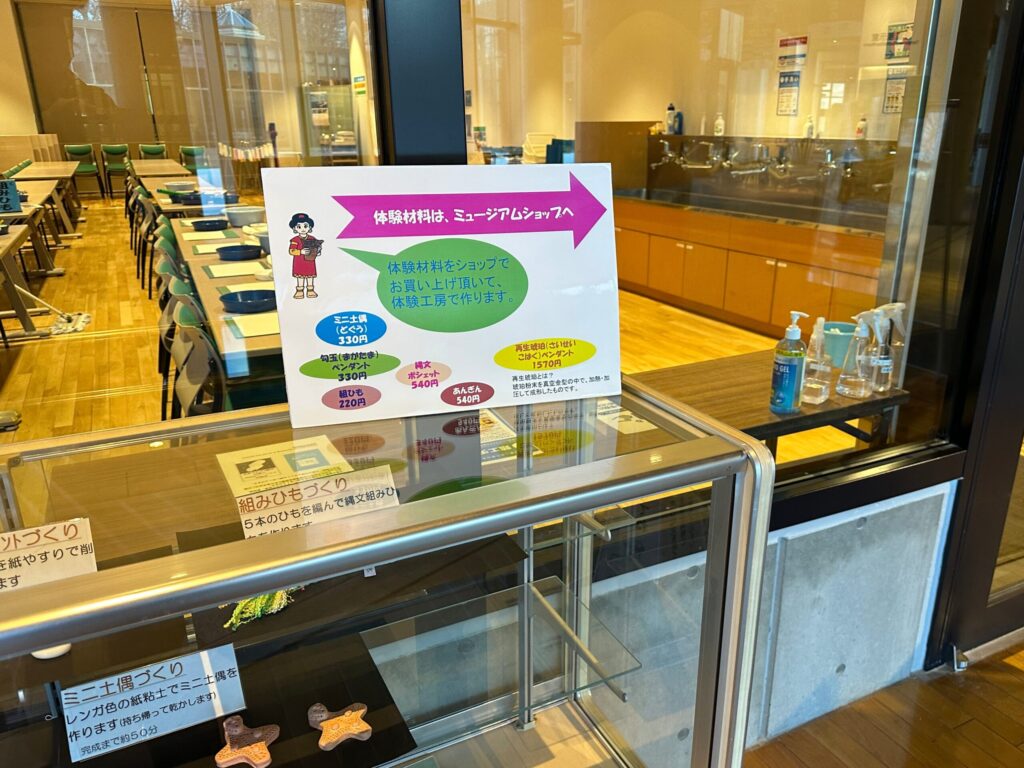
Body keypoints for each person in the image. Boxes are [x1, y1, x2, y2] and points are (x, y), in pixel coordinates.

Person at [288, 213, 321, 298]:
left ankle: (310, 290)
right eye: (299, 227)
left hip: (310, 261)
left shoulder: (312, 239)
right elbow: (291, 251)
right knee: (300, 277)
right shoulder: (295, 240)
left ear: (309, 227)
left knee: (310, 276)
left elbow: (317, 246)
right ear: (295, 228)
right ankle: (300, 291)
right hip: (299, 262)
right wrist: (300, 252)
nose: (303, 229)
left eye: (305, 226)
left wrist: (317, 250)